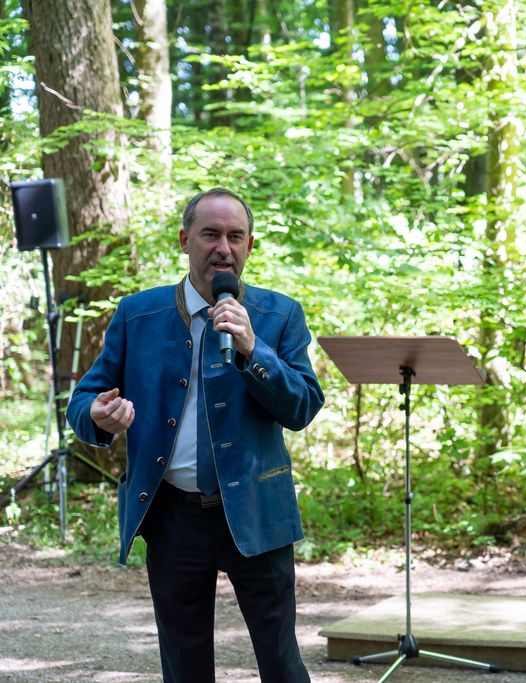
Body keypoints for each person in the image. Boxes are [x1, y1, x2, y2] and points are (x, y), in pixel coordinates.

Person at [67, 188, 325, 682]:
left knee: (281, 660)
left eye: (235, 236)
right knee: (184, 665)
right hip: (172, 515)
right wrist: (97, 415)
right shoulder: (138, 314)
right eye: (210, 234)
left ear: (250, 246)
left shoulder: (280, 315)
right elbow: (83, 401)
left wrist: (254, 350)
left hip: (255, 509)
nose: (223, 248)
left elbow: (303, 407)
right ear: (185, 240)